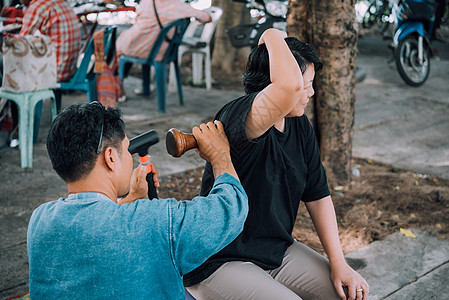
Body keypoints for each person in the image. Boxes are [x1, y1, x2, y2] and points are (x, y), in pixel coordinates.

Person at [184, 29, 370, 300]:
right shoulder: (241, 116)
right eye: (305, 84)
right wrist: (272, 34)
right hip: (220, 262)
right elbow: (288, 88)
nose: (311, 92)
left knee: (355, 294)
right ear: (275, 79)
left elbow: (318, 196)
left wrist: (339, 264)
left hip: (276, 252)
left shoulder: (299, 124)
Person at [27, 102, 249, 299]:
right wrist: (220, 156)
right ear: (111, 157)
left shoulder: (40, 221)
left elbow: (94, 226)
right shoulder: (157, 221)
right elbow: (230, 208)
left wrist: (132, 198)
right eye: (127, 150)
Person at [116, 0, 211, 60]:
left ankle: (117, 83)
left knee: (114, 44)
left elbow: (137, 21)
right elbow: (207, 18)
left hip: (136, 47)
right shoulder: (177, 6)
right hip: (160, 51)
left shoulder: (146, 2)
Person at [19, 0, 81, 82]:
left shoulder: (37, 6)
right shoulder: (60, 2)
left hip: (55, 72)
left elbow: (20, 41)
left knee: (4, 61)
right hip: (70, 69)